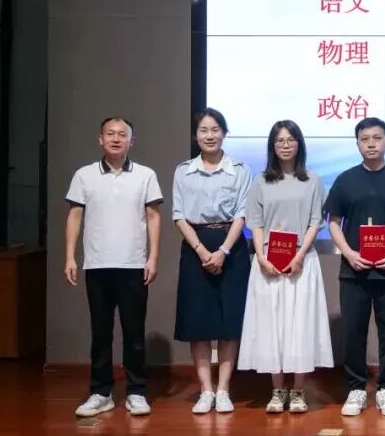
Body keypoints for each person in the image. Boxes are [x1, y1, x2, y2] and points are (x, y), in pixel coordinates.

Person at [324, 117, 385, 417]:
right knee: (353, 330)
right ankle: (356, 388)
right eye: (365, 139)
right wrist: (349, 253)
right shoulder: (345, 179)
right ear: (357, 143)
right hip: (353, 270)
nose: (371, 144)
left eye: (377, 138)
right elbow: (333, 222)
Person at [65, 116, 162, 418]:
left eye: (122, 134)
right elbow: (75, 216)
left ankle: (136, 392)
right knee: (100, 333)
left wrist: (153, 257)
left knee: (134, 333)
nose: (116, 139)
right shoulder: (84, 175)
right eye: (110, 134)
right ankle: (101, 392)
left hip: (134, 265)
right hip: (97, 265)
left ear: (131, 141)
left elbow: (154, 217)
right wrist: (69, 256)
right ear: (100, 139)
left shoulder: (145, 175)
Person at [238, 120, 334, 414]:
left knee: (300, 324)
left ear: (299, 144)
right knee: (272, 326)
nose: (285, 145)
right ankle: (277, 391)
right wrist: (261, 256)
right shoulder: (260, 181)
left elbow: (315, 222)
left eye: (290, 139)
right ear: (272, 146)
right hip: (268, 261)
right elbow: (255, 223)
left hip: (301, 261)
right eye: (279, 140)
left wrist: (300, 255)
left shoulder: (313, 181)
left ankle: (299, 391)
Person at [172, 107, 252, 414]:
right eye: (203, 130)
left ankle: (223, 389)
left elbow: (242, 213)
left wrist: (224, 251)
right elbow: (179, 214)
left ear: (224, 133)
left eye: (215, 129)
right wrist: (202, 251)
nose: (210, 135)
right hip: (196, 247)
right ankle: (205, 390)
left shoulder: (240, 170)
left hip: (231, 247)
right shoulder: (184, 171)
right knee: (199, 322)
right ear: (196, 135)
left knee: (230, 321)